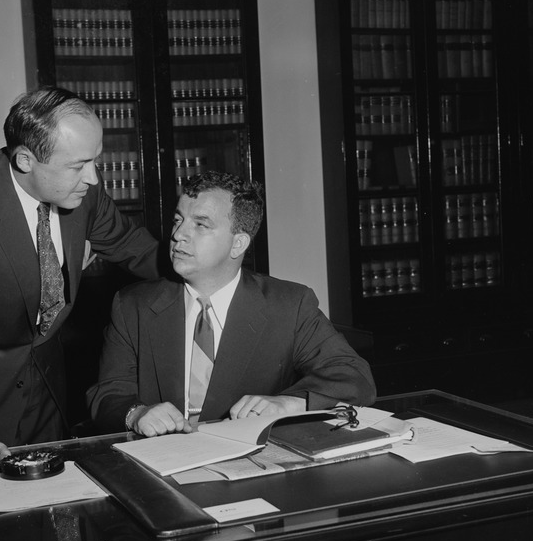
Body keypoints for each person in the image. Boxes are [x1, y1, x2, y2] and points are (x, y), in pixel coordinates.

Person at [0, 86, 160, 478]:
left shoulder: (81, 190)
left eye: (95, 161)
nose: (93, 179)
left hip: (47, 378)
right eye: (78, 165)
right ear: (26, 159)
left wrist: (214, 275)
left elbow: (136, 249)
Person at [88, 171, 375, 437]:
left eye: (200, 224)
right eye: (178, 220)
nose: (177, 235)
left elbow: (354, 377)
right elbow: (107, 394)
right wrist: (137, 414)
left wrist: (291, 404)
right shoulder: (133, 305)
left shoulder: (288, 305)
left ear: (238, 244)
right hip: (160, 465)